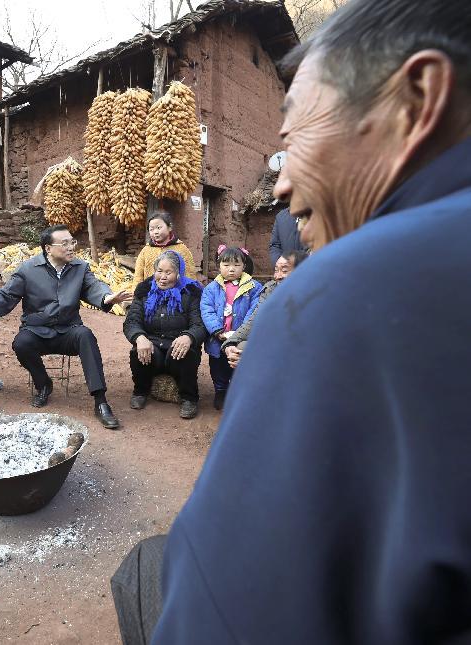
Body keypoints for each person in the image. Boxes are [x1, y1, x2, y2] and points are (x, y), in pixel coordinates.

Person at [146, 0, 471, 641]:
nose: (278, 186)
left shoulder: (349, 289)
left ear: (414, 100)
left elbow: (218, 615)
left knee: (145, 569)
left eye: (291, 139)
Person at [0, 225, 132, 429]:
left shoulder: (80, 267)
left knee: (85, 336)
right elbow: (7, 295)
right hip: (37, 331)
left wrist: (107, 297)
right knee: (21, 343)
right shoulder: (28, 269)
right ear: (48, 248)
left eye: (72, 242)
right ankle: (43, 384)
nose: (71, 247)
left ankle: (101, 401)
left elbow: (94, 287)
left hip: (68, 330)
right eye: (65, 243)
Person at [123, 250, 205, 419]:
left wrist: (189, 337)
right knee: (137, 352)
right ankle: (141, 391)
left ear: (179, 273)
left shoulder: (190, 292)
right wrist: (140, 337)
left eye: (169, 272)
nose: (163, 277)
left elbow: (200, 324)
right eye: (159, 271)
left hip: (177, 347)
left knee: (186, 354)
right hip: (153, 346)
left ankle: (189, 398)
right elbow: (132, 322)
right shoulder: (144, 291)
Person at [199, 245, 261, 410]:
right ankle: (221, 391)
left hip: (241, 337)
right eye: (226, 265)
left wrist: (239, 335)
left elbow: (255, 310)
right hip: (218, 337)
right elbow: (207, 310)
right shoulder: (211, 288)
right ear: (219, 266)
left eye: (236, 265)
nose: (231, 269)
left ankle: (238, 392)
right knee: (218, 365)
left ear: (244, 265)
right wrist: (218, 331)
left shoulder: (254, 288)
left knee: (238, 364)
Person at [222, 250, 307, 368]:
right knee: (240, 349)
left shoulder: (313, 297)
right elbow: (255, 320)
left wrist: (254, 358)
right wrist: (230, 343)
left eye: (285, 271)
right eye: (276, 270)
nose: (277, 276)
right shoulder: (271, 290)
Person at [133, 212, 198, 283]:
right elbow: (138, 276)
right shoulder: (146, 250)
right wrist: (137, 292)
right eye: (151, 229)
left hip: (175, 292)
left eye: (158, 228)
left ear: (169, 227)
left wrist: (189, 292)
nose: (155, 232)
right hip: (150, 292)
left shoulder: (181, 249)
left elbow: (190, 275)